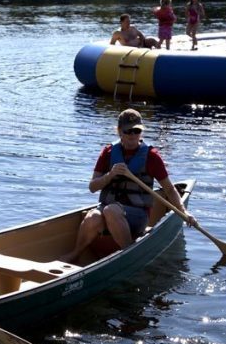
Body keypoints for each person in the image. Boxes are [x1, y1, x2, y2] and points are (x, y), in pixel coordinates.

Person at [61, 109, 196, 264]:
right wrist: (110, 175)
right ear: (119, 132)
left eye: (137, 131)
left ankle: (128, 255)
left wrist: (184, 212)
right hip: (109, 209)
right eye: (128, 131)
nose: (133, 135)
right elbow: (92, 187)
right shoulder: (108, 152)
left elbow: (169, 189)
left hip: (138, 215)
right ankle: (76, 254)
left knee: (111, 210)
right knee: (92, 217)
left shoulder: (151, 156)